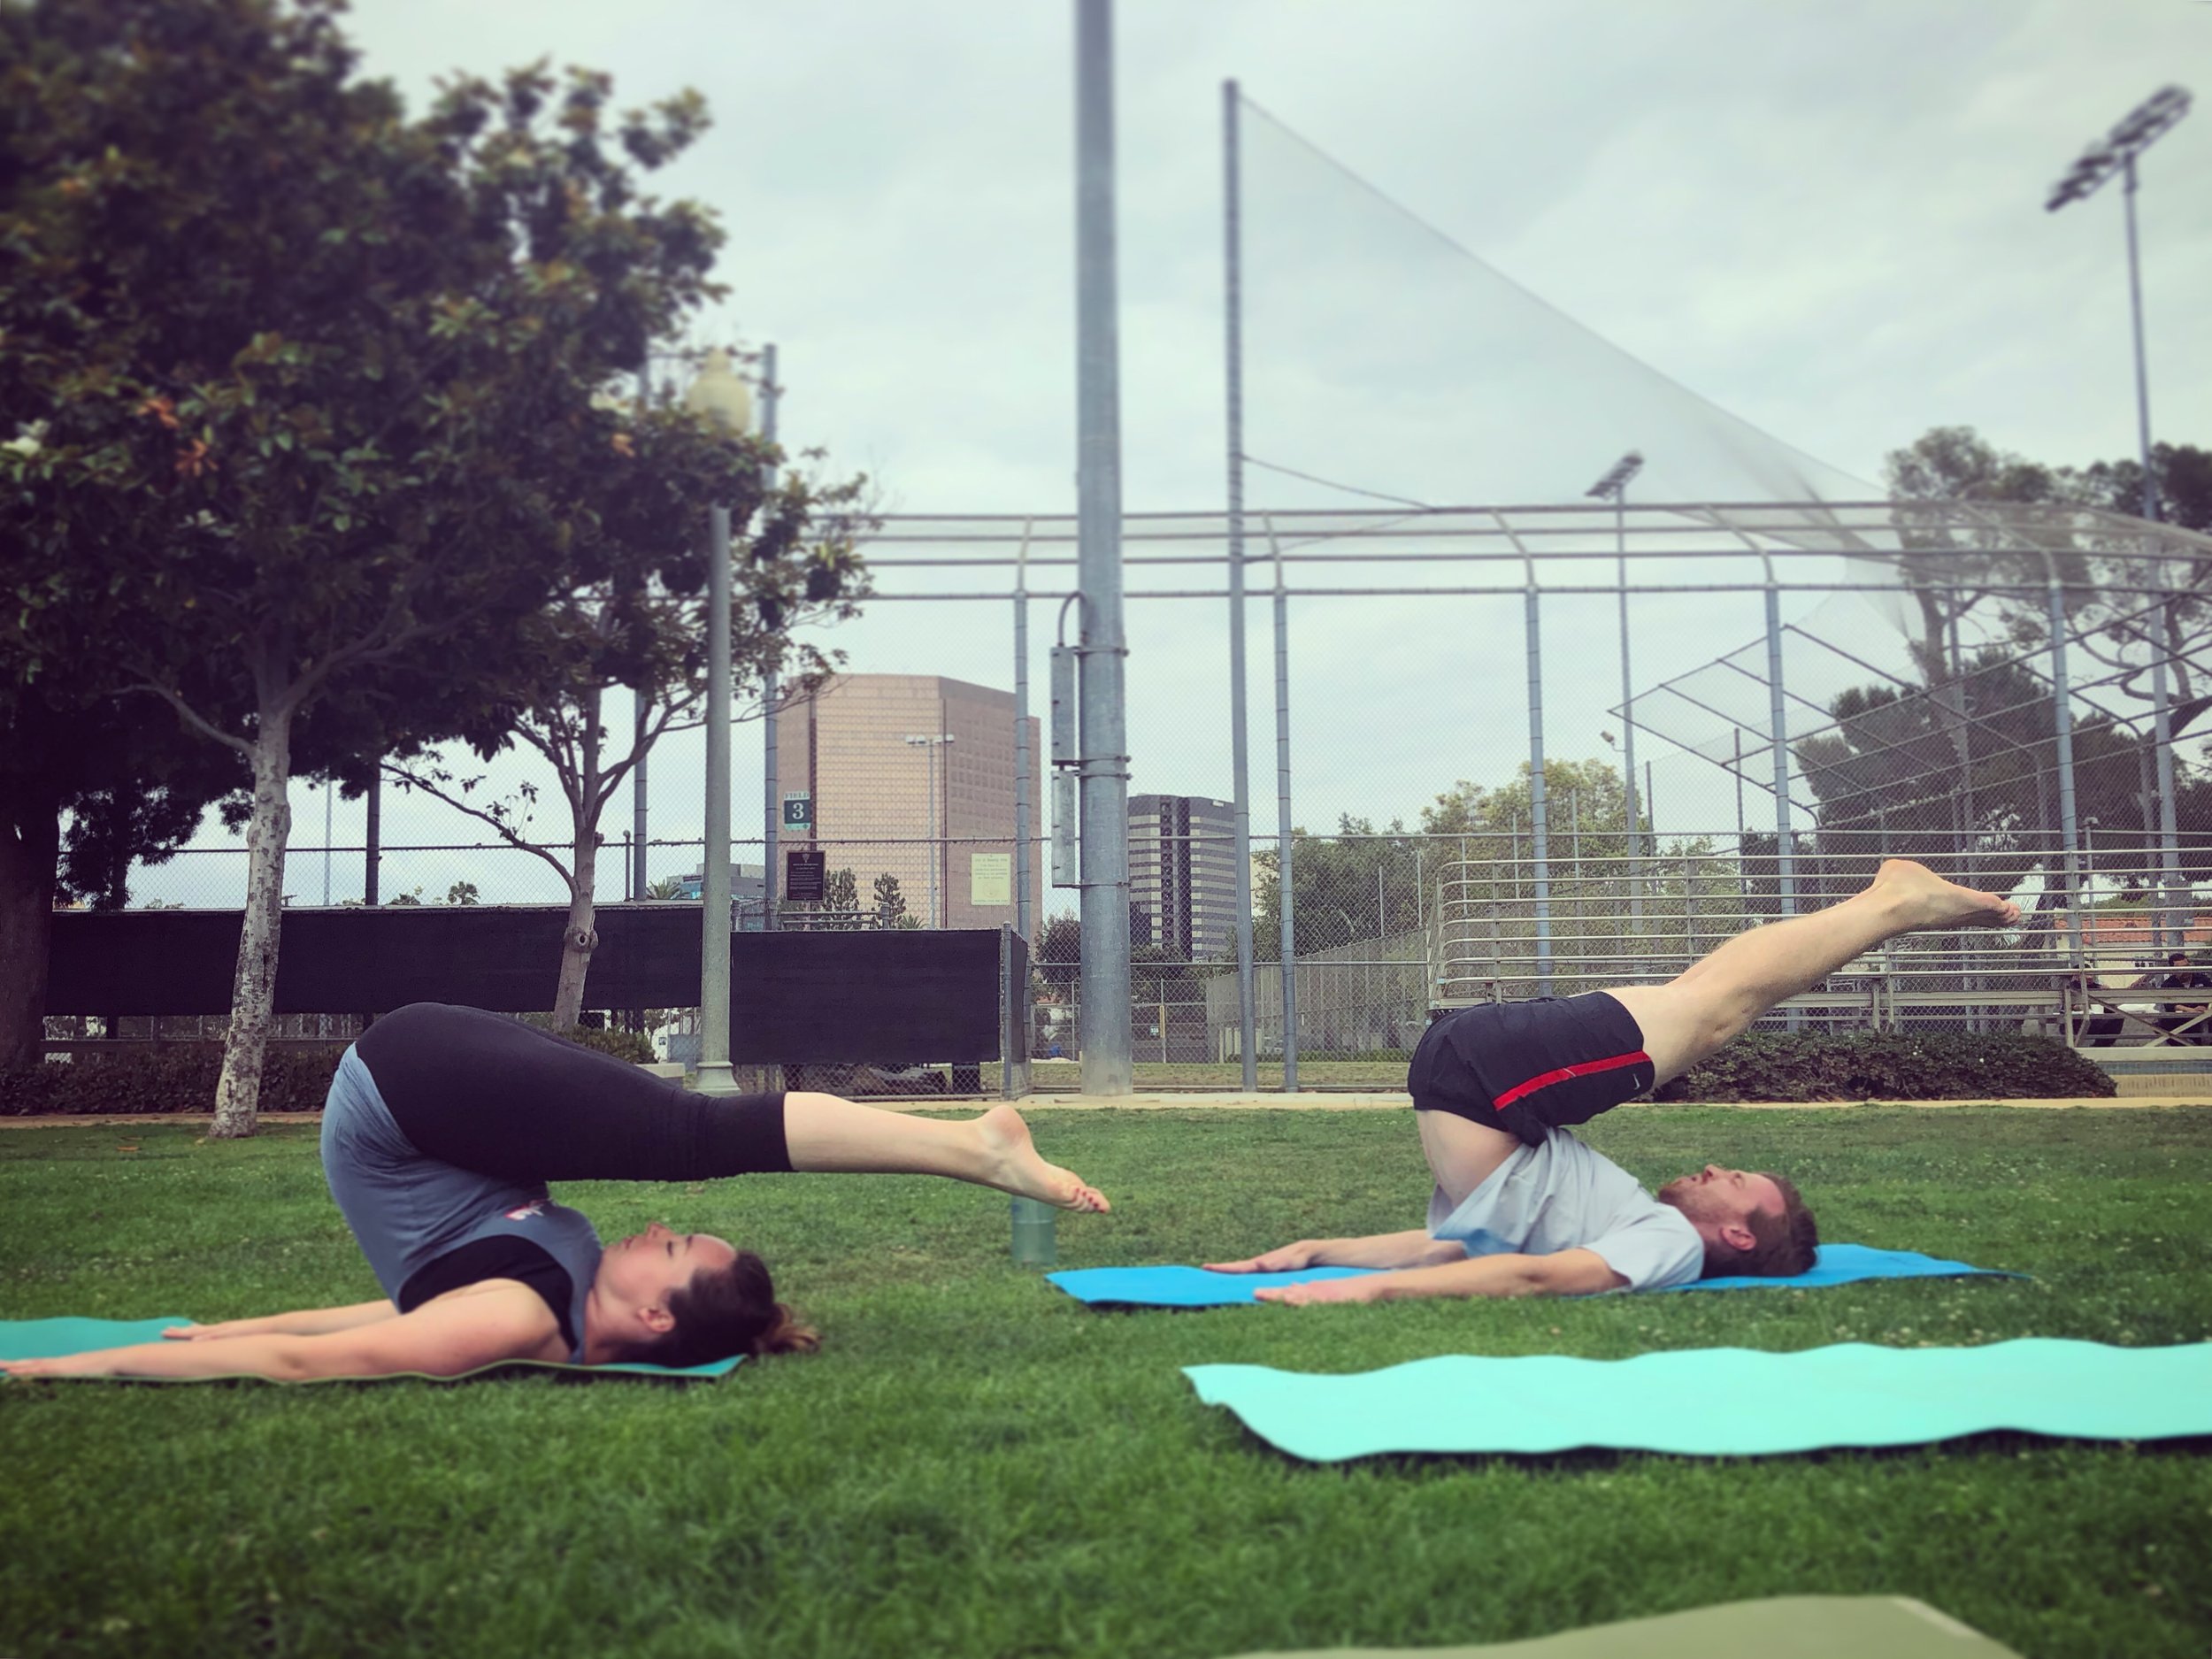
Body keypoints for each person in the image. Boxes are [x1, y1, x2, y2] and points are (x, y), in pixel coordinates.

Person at [0, 1003, 1109, 1382]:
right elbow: (381, 1314)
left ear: (652, 1317)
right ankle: (972, 1145)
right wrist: (219, 1324)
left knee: (692, 1132)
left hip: (407, 1094)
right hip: (434, 1096)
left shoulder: (508, 1318)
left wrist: (70, 1361)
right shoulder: (547, 1309)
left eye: (674, 1252)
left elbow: (324, 1354)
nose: (658, 1233)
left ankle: (977, 1146)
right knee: (686, 1134)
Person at [1207, 859, 2019, 1307]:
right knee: (1706, 1004)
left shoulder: (1664, 1245)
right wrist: (1333, 1265)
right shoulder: (1630, 1220)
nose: (1712, 1168)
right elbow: (1482, 1254)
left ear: (1738, 1236)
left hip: (1485, 1078)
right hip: (1480, 1083)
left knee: (1708, 1006)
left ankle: (1895, 901)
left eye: (1733, 1184)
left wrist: (1328, 1267)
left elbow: (1506, 1267)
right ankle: (1888, 902)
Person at [2151, 952, 2208, 1045]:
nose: (2185, 971)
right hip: (2182, 1018)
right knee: (2161, 1024)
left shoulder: (2202, 978)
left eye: (2187, 966)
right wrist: (2190, 1010)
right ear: (2173, 970)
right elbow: (2170, 1005)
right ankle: (2182, 1048)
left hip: (2204, 1015)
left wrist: (2205, 1007)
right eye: (2181, 969)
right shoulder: (2168, 984)